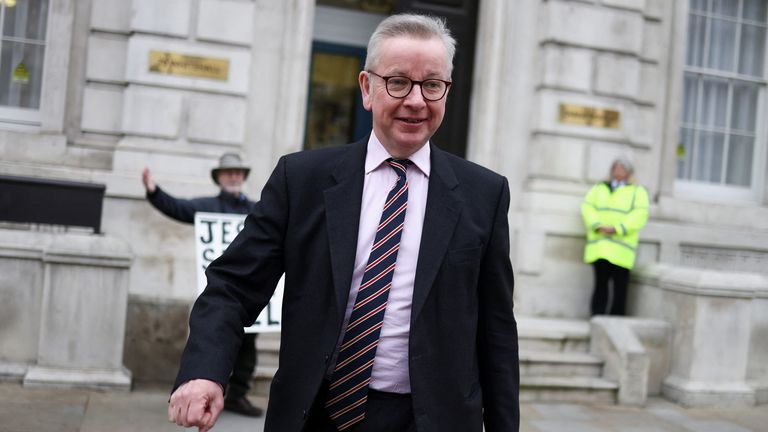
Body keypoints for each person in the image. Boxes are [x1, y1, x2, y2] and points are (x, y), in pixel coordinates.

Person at [168, 14, 519, 432]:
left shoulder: (485, 195)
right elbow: (232, 286)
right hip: (316, 415)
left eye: (432, 85)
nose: (416, 100)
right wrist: (204, 370)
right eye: (398, 82)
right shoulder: (301, 181)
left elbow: (496, 330)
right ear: (367, 88)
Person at [142, 152, 263, 418]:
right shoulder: (207, 206)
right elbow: (178, 207)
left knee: (249, 344)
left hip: (250, 292)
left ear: (243, 177)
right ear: (219, 177)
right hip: (223, 289)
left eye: (238, 172)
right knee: (215, 336)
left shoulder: (256, 209)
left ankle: (238, 394)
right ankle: (211, 387)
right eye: (228, 172)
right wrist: (154, 192)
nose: (234, 176)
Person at [580, 158, 649, 316]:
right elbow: (587, 207)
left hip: (621, 249)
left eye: (622, 169)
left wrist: (618, 228)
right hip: (600, 247)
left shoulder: (637, 191)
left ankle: (616, 318)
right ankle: (597, 316)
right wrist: (597, 225)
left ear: (629, 173)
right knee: (600, 284)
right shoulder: (599, 188)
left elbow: (640, 214)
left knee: (620, 286)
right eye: (616, 168)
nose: (619, 172)